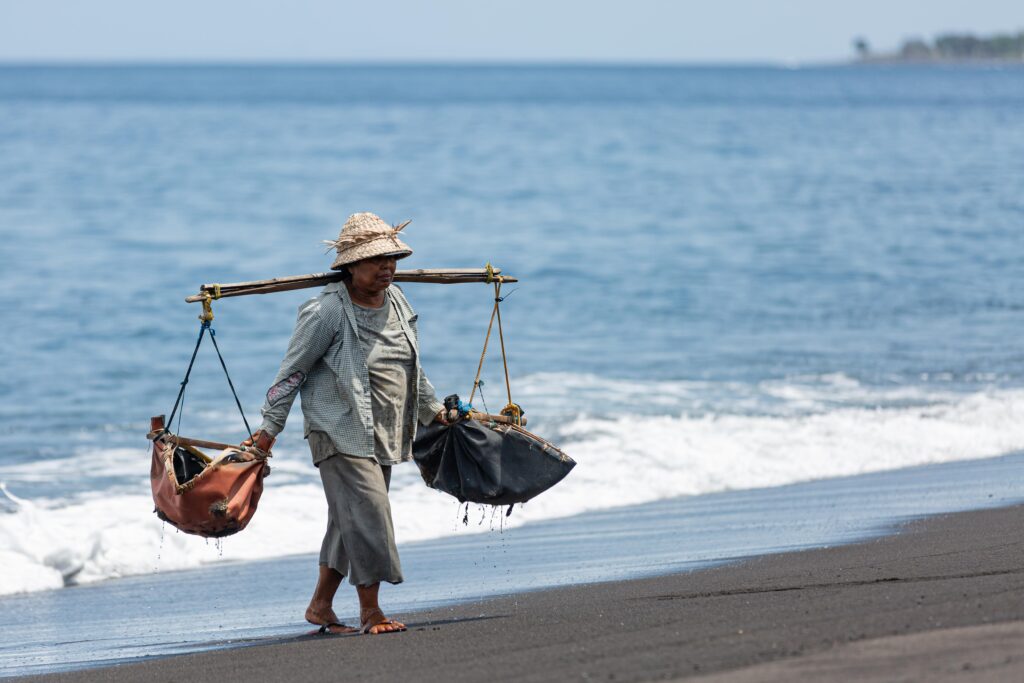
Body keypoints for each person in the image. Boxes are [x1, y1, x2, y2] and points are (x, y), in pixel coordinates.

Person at [245, 212, 448, 635]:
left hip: (387, 428)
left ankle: (320, 606)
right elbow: (290, 374)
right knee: (370, 511)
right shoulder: (325, 313)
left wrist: (435, 412)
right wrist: (267, 434)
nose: (387, 267)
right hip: (337, 428)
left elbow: (411, 367)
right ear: (350, 266)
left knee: (348, 520)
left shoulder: (399, 302)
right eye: (376, 260)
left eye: (391, 258)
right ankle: (371, 611)